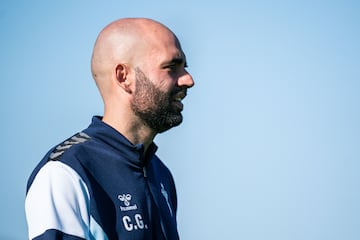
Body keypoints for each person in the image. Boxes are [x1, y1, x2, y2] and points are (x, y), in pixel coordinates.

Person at [25, 18, 194, 240]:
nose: (188, 80)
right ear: (124, 77)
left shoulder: (160, 173)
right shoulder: (66, 172)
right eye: (171, 67)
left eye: (185, 69)